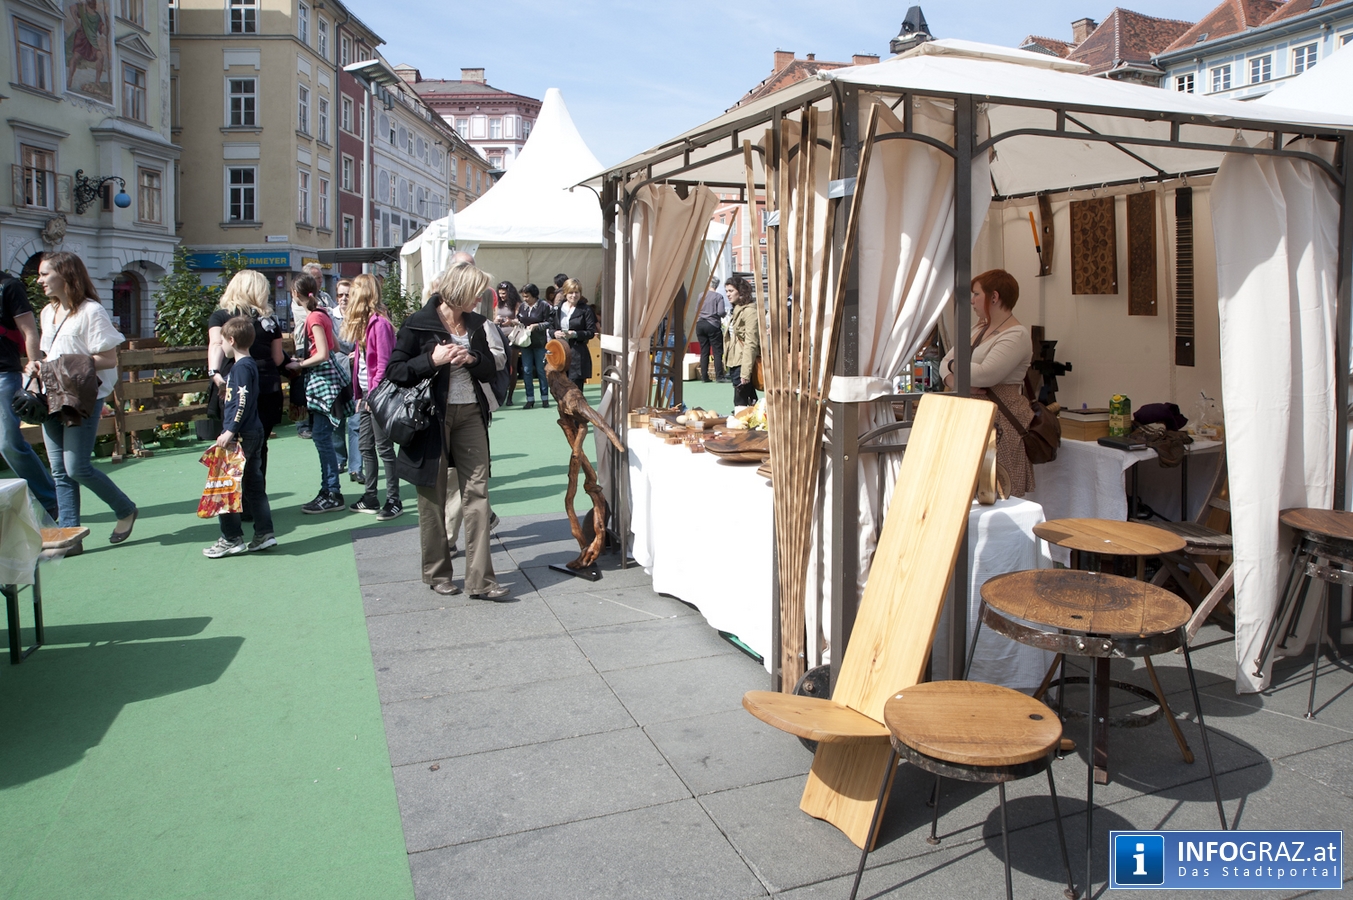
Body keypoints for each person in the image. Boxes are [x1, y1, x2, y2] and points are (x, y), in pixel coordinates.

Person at [386, 262, 508, 599]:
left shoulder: (478, 324)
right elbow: (395, 371)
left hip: (470, 413)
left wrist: (471, 359)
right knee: (432, 495)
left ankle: (481, 579)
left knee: (478, 493)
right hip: (430, 418)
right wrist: (434, 360)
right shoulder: (418, 323)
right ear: (459, 291)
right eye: (475, 293)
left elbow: (488, 367)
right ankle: (438, 573)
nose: (480, 299)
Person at [30, 251, 138, 542]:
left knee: (76, 467)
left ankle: (125, 509)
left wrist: (62, 364)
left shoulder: (91, 312)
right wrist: (38, 365)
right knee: (59, 471)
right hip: (52, 394)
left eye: (44, 274)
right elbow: (48, 354)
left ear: (66, 275)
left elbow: (109, 359)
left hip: (82, 397)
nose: (39, 280)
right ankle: (69, 534)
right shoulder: (47, 312)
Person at [940, 268, 1035, 496]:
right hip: (972, 415)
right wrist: (957, 381)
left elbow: (986, 374)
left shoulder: (1016, 334)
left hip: (1001, 420)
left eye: (976, 294)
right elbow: (943, 361)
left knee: (997, 488)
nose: (971, 301)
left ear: (994, 297)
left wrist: (954, 368)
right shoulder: (979, 328)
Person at [207, 270, 285, 493]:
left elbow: (215, 345)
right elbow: (278, 357)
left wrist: (215, 374)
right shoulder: (268, 320)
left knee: (233, 443)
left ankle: (235, 500)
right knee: (260, 446)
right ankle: (257, 500)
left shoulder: (221, 317)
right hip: (267, 387)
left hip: (235, 385)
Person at [204, 316, 276, 557]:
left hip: (240, 436)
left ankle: (231, 537)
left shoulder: (241, 367)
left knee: (225, 486)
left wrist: (230, 431)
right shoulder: (248, 366)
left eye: (222, 341)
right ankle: (264, 533)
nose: (221, 346)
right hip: (252, 432)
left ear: (231, 340)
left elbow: (242, 402)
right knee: (254, 486)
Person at [342, 274, 402, 520]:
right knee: (365, 445)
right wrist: (360, 394)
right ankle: (370, 496)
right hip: (368, 394)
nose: (347, 299)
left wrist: (372, 395)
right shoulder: (364, 324)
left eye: (352, 293)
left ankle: (393, 499)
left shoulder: (380, 324)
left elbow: (384, 364)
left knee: (384, 447)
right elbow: (362, 365)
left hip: (378, 394)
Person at [0, 270, 58, 520]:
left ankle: (51, 500)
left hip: (3, 372)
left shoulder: (8, 286)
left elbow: (29, 330)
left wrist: (35, 364)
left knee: (8, 443)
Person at [294, 273, 351, 513]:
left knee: (321, 438)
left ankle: (331, 491)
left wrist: (299, 364)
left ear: (297, 294)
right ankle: (329, 489)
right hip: (331, 380)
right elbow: (336, 346)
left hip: (323, 382)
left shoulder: (314, 317)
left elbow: (323, 354)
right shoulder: (324, 314)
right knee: (323, 437)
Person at [330, 278, 361, 481]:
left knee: (356, 422)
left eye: (347, 295)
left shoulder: (360, 317)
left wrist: (356, 355)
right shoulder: (330, 318)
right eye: (340, 295)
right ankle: (339, 458)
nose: (343, 299)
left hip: (358, 375)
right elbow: (330, 347)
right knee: (337, 421)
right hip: (336, 375)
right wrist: (344, 357)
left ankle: (356, 467)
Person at [551, 278, 596, 392]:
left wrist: (575, 334)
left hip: (577, 353)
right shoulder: (558, 309)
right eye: (571, 292)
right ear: (565, 293)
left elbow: (591, 332)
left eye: (577, 292)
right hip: (560, 351)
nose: (574, 295)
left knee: (575, 389)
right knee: (561, 388)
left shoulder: (586, 309)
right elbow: (550, 327)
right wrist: (554, 333)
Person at [723, 275, 760, 407]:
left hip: (742, 361)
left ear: (741, 290)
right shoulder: (737, 309)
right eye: (726, 291)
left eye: (731, 291)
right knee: (748, 399)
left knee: (740, 401)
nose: (728, 294)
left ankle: (743, 426)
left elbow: (751, 342)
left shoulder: (749, 311)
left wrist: (745, 371)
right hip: (735, 360)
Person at [516, 283, 551, 409]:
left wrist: (537, 326)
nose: (525, 299)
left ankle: (544, 398)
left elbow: (550, 323)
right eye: (524, 296)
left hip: (539, 343)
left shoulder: (544, 306)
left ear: (534, 295)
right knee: (526, 371)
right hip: (525, 343)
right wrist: (512, 322)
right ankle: (529, 399)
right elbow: (519, 320)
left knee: (541, 371)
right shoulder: (522, 307)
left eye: (527, 296)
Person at [696, 275, 729, 383]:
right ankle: (719, 376)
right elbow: (720, 312)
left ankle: (704, 376)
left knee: (704, 350)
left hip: (700, 324)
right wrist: (724, 314)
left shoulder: (701, 295)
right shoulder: (718, 296)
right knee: (717, 351)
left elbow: (697, 310)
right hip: (712, 324)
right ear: (717, 285)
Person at [494, 281, 522, 406]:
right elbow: (492, 317)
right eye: (500, 294)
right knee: (500, 366)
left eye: (504, 294)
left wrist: (510, 322)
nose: (502, 296)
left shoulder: (516, 304)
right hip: (499, 336)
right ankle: (500, 394)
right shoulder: (497, 304)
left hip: (512, 337)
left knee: (512, 366)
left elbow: (520, 320)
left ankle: (510, 396)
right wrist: (495, 320)